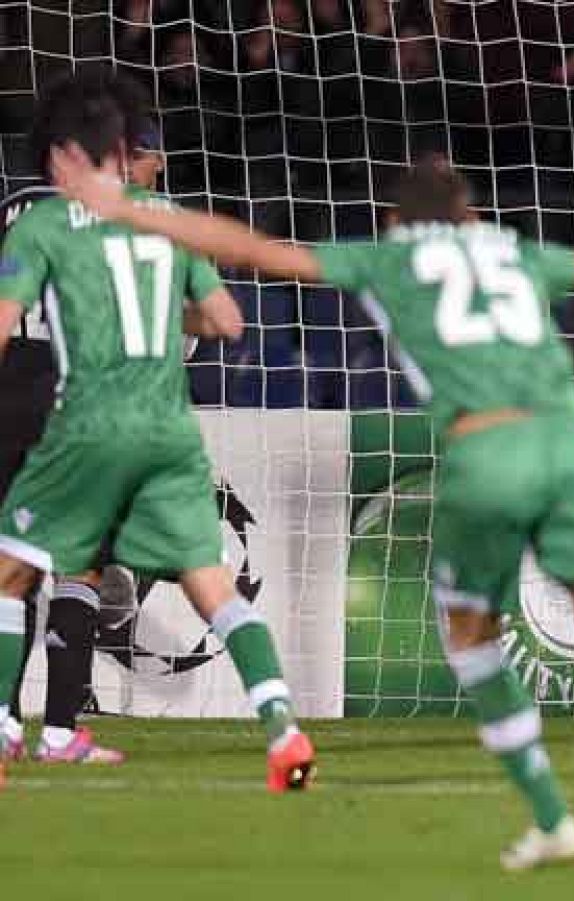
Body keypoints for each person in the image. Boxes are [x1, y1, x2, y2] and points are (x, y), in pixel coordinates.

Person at [54, 145, 574, 869]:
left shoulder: (391, 258)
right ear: (469, 212)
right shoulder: (513, 253)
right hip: (571, 443)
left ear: (394, 218)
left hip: (488, 451)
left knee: (470, 638)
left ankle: (553, 815)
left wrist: (127, 209)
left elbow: (259, 250)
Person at [0, 72, 309, 792]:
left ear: (73, 153)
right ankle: (284, 729)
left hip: (77, 420)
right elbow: (229, 322)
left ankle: (8, 726)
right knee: (210, 583)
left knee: (12, 571)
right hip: (168, 430)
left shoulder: (43, 219)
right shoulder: (168, 215)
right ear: (125, 150)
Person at [0, 87, 185, 767]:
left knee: (11, 567)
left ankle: (3, 721)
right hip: (70, 398)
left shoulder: (14, 211)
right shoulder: (107, 218)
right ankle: (58, 729)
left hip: (6, 396)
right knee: (78, 567)